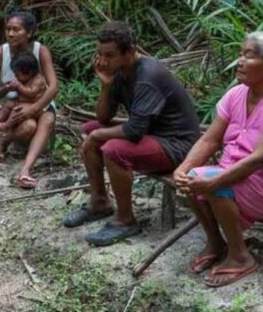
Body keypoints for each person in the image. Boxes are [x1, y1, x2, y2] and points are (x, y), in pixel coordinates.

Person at [173, 31, 263, 288]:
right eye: (241, 54)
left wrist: (213, 181)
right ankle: (216, 243)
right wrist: (183, 169)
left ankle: (240, 257)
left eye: (249, 56)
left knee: (211, 181)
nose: (240, 61)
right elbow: (209, 140)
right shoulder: (236, 95)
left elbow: (259, 159)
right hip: (239, 178)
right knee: (193, 178)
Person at [63, 21, 200, 247]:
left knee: (113, 149)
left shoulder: (147, 76)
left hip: (178, 146)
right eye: (100, 54)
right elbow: (103, 118)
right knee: (91, 129)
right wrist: (106, 85)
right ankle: (99, 202)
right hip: (153, 134)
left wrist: (99, 137)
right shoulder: (119, 72)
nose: (103, 61)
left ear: (130, 52)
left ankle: (125, 220)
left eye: (110, 55)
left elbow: (135, 131)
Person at [0, 10, 59, 189]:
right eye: (8, 29)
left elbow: (54, 87)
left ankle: (25, 171)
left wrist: (33, 109)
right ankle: (4, 141)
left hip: (41, 104)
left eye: (16, 29)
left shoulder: (40, 51)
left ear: (29, 32)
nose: (10, 34)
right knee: (28, 127)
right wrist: (6, 89)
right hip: (16, 106)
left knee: (47, 118)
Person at [0, 53, 47, 133]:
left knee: (16, 110)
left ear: (28, 72)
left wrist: (19, 87)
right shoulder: (26, 79)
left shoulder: (38, 80)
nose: (16, 77)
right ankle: (1, 117)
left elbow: (32, 93)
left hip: (35, 107)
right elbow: (22, 89)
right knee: (9, 104)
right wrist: (11, 86)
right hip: (23, 103)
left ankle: (6, 126)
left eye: (17, 74)